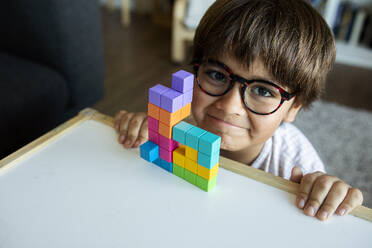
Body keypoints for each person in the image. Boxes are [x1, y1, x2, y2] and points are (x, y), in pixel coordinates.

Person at [114, 0, 363, 221]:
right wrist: (142, 128)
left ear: (293, 107)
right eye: (216, 75)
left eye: (264, 91)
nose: (229, 106)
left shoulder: (294, 163)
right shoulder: (178, 122)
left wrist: (326, 190)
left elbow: (321, 205)